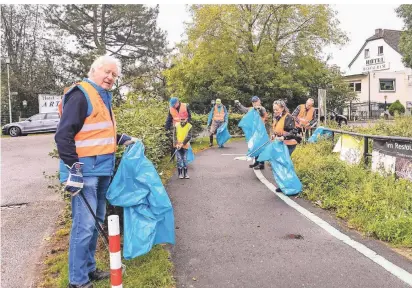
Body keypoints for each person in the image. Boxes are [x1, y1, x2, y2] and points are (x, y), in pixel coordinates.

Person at [55, 55, 138, 288]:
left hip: (101, 170)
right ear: (94, 70)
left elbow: (96, 133)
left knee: (95, 222)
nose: (110, 78)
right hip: (84, 172)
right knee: (84, 226)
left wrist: (123, 139)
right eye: (107, 72)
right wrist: (74, 169)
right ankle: (77, 281)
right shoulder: (81, 94)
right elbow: (63, 136)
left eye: (114, 75)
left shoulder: (103, 97)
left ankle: (89, 270)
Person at [234, 96, 268, 170]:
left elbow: (262, 112)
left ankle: (261, 164)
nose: (255, 103)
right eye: (253, 102)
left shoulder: (262, 108)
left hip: (261, 132)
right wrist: (238, 104)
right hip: (254, 132)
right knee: (255, 147)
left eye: (256, 101)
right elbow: (244, 109)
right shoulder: (251, 109)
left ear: (259, 101)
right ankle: (256, 162)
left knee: (260, 148)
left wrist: (258, 108)